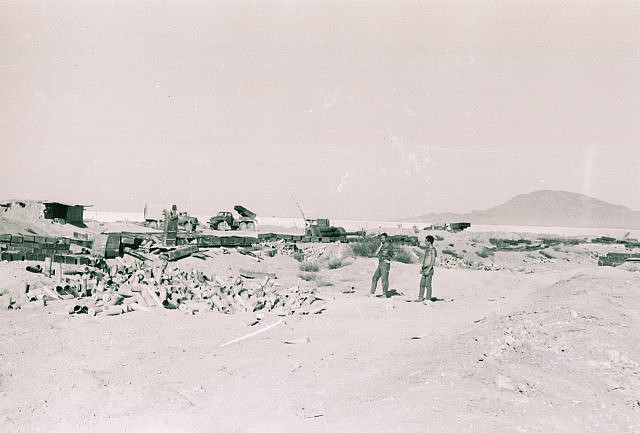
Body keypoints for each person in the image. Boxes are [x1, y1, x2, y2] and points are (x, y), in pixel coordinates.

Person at [370, 233, 394, 298]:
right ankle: (372, 292)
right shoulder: (382, 245)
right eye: (381, 238)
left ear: (386, 238)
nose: (382, 239)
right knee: (375, 277)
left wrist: (389, 260)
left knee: (384, 279)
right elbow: (376, 253)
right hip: (380, 263)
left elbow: (393, 254)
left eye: (383, 238)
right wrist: (380, 245)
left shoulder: (389, 245)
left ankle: (384, 294)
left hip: (385, 264)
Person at [415, 235, 437, 302]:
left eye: (426, 241)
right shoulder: (427, 249)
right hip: (424, 268)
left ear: (429, 242)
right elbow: (425, 259)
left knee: (428, 285)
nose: (425, 242)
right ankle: (420, 297)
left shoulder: (433, 250)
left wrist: (428, 269)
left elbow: (432, 261)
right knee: (422, 284)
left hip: (429, 269)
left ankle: (428, 299)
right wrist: (422, 268)